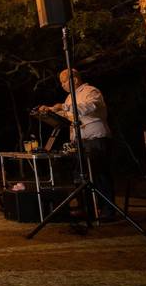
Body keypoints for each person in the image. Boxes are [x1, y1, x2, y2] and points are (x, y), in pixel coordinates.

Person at [39, 68, 116, 220]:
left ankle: (108, 211)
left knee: (99, 175)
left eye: (63, 81)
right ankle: (88, 209)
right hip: (78, 142)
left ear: (74, 80)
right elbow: (68, 115)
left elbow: (90, 107)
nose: (62, 85)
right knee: (81, 176)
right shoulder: (69, 98)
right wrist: (50, 111)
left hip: (95, 140)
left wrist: (64, 107)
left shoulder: (91, 91)